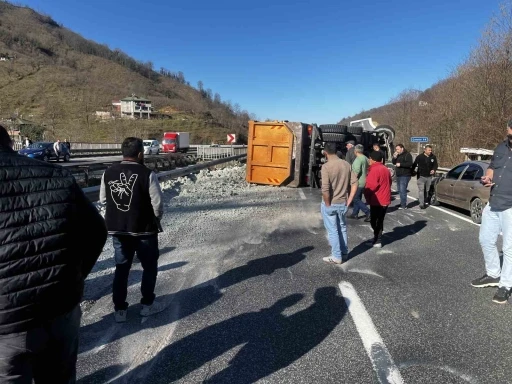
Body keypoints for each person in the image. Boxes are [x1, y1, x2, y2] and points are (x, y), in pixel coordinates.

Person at [0, 124, 107, 382]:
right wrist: (73, 277)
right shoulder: (57, 175)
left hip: (7, 324)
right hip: (61, 309)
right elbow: (96, 232)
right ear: (10, 144)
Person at [100, 137, 165, 322]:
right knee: (149, 267)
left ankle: (120, 310)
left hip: (118, 230)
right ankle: (147, 305)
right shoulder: (147, 174)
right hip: (144, 231)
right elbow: (158, 204)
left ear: (123, 153)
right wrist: (154, 220)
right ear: (139, 154)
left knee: (122, 268)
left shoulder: (108, 173)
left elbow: (103, 200)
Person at [471, 121, 512, 304]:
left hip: (511, 205)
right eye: (509, 132)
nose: (509, 135)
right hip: (493, 201)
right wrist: (488, 177)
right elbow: (492, 167)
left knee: (509, 248)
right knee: (486, 239)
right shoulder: (501, 147)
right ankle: (494, 274)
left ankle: (506, 284)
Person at [320, 142, 358, 264]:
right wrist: (349, 200)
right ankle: (344, 252)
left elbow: (325, 189)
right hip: (343, 203)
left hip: (331, 203)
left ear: (325, 152)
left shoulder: (326, 167)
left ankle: (336, 256)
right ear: (336, 151)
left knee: (333, 230)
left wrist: (327, 204)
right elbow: (354, 183)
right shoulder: (346, 164)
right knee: (342, 228)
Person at [364, 151, 392, 248]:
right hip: (385, 198)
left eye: (369, 158)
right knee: (379, 219)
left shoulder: (375, 170)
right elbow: (390, 182)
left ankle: (378, 240)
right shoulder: (385, 169)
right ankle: (377, 238)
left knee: (375, 221)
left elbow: (371, 186)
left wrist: (367, 197)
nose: (369, 160)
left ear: (373, 159)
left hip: (377, 199)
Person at [349, 144, 371, 221]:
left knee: (355, 199)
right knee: (358, 198)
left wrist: (352, 181)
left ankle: (368, 212)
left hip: (358, 182)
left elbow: (356, 172)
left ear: (356, 151)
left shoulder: (358, 159)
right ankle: (355, 213)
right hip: (364, 180)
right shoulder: (365, 158)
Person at [412, 145, 438, 209]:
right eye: (429, 150)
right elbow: (414, 165)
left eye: (431, 150)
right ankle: (421, 203)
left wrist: (433, 170)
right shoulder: (419, 157)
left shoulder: (433, 157)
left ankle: (425, 200)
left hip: (429, 176)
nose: (430, 151)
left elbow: (436, 165)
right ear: (425, 150)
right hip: (421, 176)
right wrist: (413, 172)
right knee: (421, 190)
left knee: (427, 190)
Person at [392, 144, 414, 209]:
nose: (397, 151)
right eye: (396, 149)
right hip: (398, 175)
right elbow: (394, 162)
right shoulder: (398, 155)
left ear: (402, 148)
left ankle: (403, 205)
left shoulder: (407, 155)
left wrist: (401, 164)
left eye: (398, 149)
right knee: (399, 190)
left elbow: (410, 164)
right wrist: (394, 157)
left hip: (405, 175)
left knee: (402, 190)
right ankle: (402, 203)